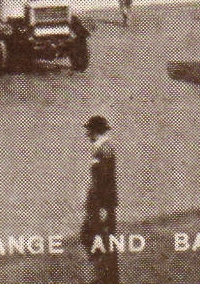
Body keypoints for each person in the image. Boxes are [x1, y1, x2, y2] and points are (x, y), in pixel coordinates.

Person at [82, 115, 118, 284]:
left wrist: (103, 207)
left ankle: (104, 277)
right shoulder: (102, 148)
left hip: (101, 204)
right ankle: (103, 276)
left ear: (95, 131)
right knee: (96, 237)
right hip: (98, 203)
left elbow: (105, 180)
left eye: (89, 130)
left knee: (95, 237)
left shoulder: (104, 149)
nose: (87, 134)